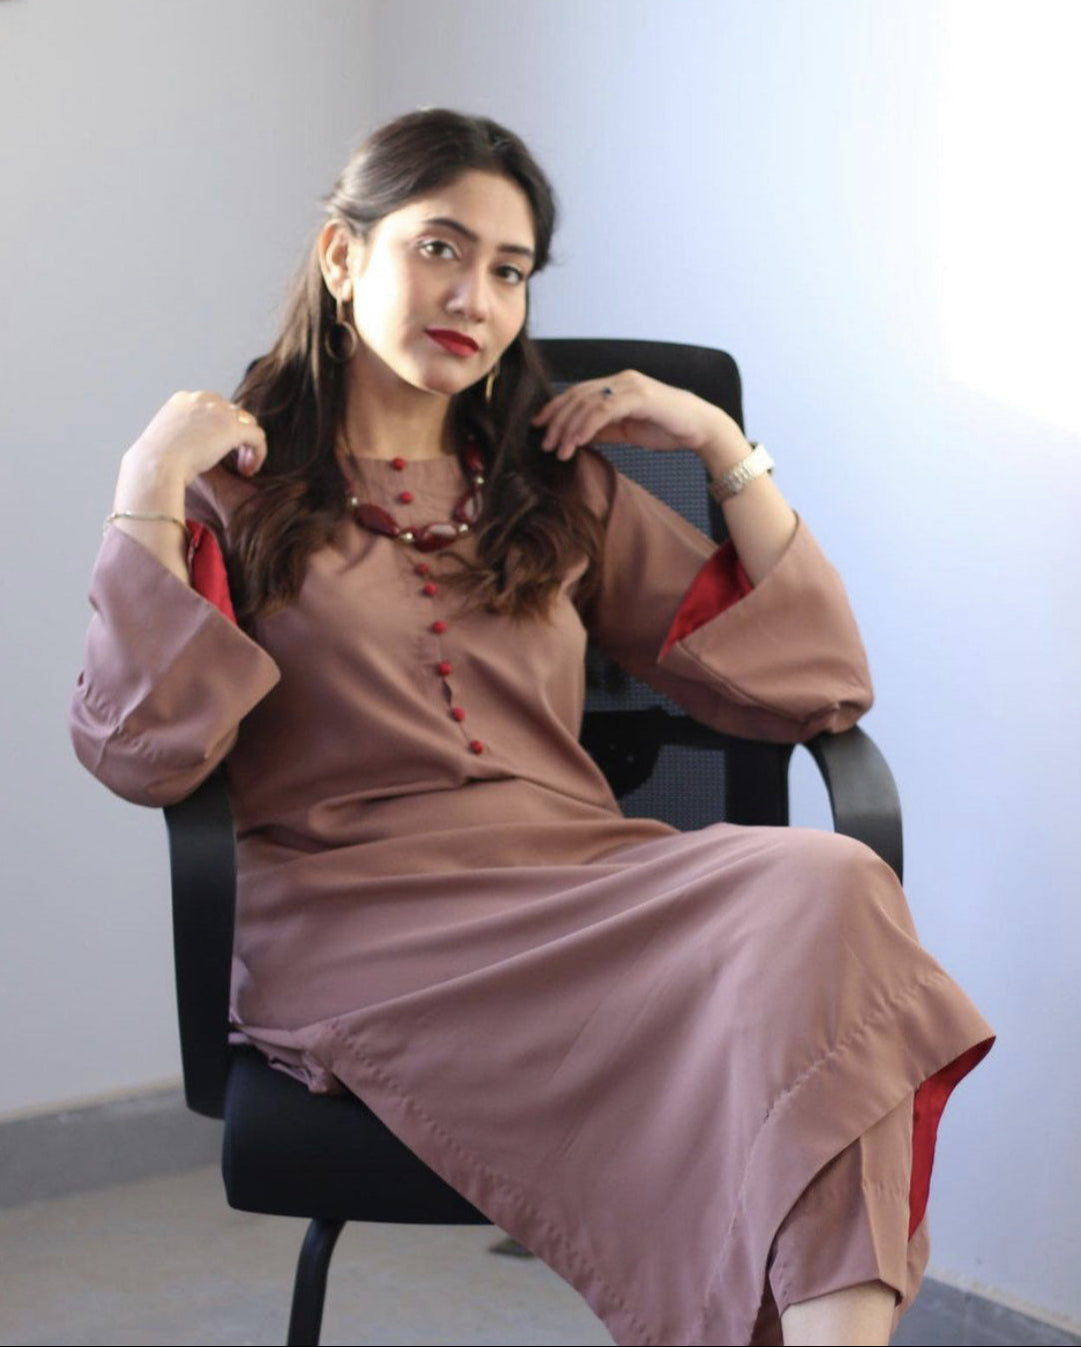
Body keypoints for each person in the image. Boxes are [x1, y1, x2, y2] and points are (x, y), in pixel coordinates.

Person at [70, 108, 993, 1346]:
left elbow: (814, 685)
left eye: (508, 272)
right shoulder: (229, 495)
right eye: (441, 249)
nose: (476, 296)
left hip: (578, 883)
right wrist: (143, 493)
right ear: (343, 259)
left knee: (828, 880)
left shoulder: (552, 490)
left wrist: (723, 451)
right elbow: (146, 752)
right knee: (831, 953)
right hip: (358, 924)